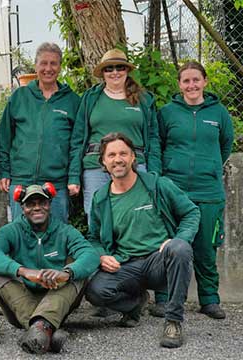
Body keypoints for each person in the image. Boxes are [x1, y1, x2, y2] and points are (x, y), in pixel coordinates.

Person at [85, 132, 199, 348]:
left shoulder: (157, 185)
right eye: (111, 155)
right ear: (103, 161)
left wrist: (179, 238)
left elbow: (191, 213)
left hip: (159, 261)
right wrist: (102, 255)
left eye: (123, 153)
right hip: (126, 264)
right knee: (95, 290)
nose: (117, 159)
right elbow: (93, 237)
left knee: (181, 248)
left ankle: (173, 321)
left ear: (133, 158)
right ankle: (134, 305)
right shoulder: (100, 198)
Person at [155, 61, 234, 319]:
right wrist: (162, 179)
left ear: (205, 82)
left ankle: (209, 299)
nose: (191, 85)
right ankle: (164, 298)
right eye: (186, 81)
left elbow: (225, 147)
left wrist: (209, 168)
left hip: (208, 191)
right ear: (179, 85)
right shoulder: (167, 113)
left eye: (196, 80)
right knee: (169, 244)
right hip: (174, 189)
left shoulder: (219, 113)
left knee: (205, 248)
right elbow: (159, 145)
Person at [0, 183, 99, 354]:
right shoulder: (11, 230)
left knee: (79, 268)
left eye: (42, 203)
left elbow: (91, 255)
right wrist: (24, 271)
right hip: (21, 304)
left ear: (49, 205)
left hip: (56, 302)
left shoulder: (65, 231)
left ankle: (40, 329)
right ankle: (47, 328)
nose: (37, 208)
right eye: (30, 204)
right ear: (22, 208)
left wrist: (66, 273)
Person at [69, 48, 161, 223]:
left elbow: (154, 138)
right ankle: (102, 252)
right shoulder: (91, 98)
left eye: (120, 67)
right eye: (109, 69)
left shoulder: (144, 99)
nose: (115, 72)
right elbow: (77, 139)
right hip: (96, 167)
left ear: (127, 70)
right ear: (103, 73)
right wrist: (74, 176)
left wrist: (154, 172)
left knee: (136, 218)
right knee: (98, 219)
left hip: (134, 166)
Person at [0, 42, 80, 223]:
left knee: (56, 239)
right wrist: (3, 171)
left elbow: (77, 144)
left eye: (53, 63)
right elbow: (4, 138)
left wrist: (74, 176)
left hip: (56, 184)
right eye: (43, 63)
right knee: (20, 239)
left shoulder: (72, 101)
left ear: (60, 67)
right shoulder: (20, 97)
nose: (48, 68)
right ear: (36, 66)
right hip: (21, 182)